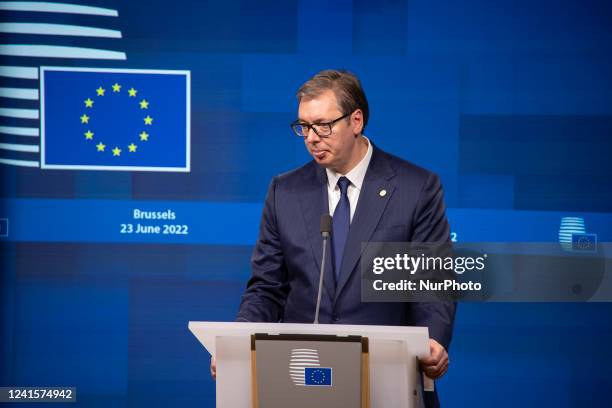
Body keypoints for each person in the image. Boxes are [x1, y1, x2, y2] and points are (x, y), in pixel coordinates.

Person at [212, 69, 456, 407]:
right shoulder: (285, 191)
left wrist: (433, 340)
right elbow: (267, 286)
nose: (312, 137)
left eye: (323, 125)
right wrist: (238, 343)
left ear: (356, 121)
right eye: (304, 127)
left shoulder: (415, 188)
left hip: (386, 382)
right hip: (301, 380)